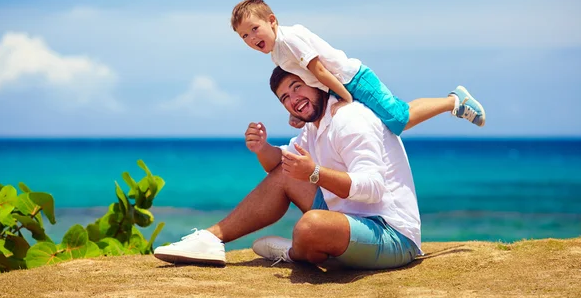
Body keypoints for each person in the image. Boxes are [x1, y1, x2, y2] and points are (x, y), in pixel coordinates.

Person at [154, 67, 423, 269]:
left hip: (391, 234)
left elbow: (374, 188)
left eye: (297, 87)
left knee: (310, 227)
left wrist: (315, 173)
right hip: (349, 217)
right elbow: (281, 166)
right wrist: (262, 148)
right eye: (285, 97)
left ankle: (295, 253)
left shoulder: (350, 119)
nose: (293, 99)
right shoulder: (316, 125)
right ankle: (210, 239)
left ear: (316, 82)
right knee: (285, 171)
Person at [230, 0, 485, 132]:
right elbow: (310, 81)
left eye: (254, 28)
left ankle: (454, 101)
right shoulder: (277, 52)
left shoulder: (289, 40)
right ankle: (453, 102)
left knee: (397, 119)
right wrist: (298, 114)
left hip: (354, 79)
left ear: (272, 20)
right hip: (338, 86)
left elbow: (319, 71)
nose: (252, 38)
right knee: (392, 115)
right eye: (244, 36)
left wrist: (346, 99)